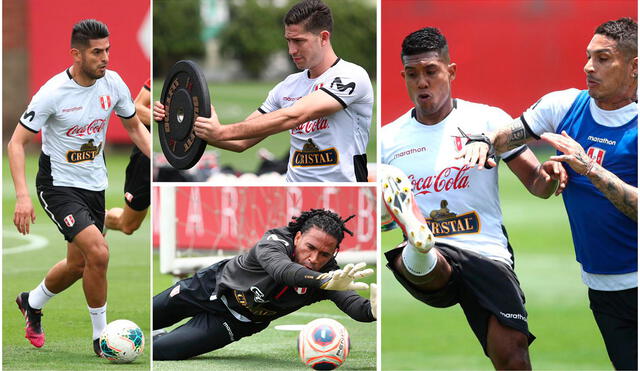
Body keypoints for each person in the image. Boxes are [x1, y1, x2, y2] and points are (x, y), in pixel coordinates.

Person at [380, 27, 566, 370]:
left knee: (513, 355)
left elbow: (537, 185)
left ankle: (418, 245)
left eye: (431, 71)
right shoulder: (388, 140)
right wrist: (383, 216)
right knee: (427, 257)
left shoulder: (488, 121)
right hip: (434, 257)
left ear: (450, 72)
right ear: (403, 76)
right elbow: (379, 218)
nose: (422, 82)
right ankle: (419, 243)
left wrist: (551, 175)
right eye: (413, 74)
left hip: (487, 252)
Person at [458, 17, 637, 370]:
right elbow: (508, 135)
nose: (588, 67)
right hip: (603, 286)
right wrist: (484, 143)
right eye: (588, 56)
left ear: (634, 67)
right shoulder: (564, 106)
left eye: (603, 59)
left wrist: (589, 169)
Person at [7, 19, 151, 356]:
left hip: (95, 185)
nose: (105, 58)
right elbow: (16, 144)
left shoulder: (113, 83)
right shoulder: (52, 93)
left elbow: (133, 128)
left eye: (108, 50)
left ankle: (32, 301)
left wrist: (159, 161)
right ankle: (102, 338)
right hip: (58, 186)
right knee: (99, 253)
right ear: (76, 54)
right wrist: (23, 197)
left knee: (78, 265)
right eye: (97, 52)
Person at [153, 0, 373, 182]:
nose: (291, 50)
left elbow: (295, 115)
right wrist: (185, 124)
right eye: (288, 41)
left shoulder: (351, 76)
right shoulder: (287, 86)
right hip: (294, 194)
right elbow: (239, 142)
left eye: (299, 41)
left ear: (324, 37)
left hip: (346, 193)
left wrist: (221, 131)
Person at [153, 209, 377, 360]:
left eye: (324, 254)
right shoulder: (274, 242)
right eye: (310, 247)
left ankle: (160, 338)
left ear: (334, 253)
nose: (314, 259)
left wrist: (372, 310)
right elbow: (283, 271)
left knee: (158, 351)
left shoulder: (329, 275)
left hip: (234, 323)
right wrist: (322, 280)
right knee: (150, 315)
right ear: (297, 237)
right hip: (207, 288)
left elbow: (352, 302)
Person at [105, 79, 151, 234]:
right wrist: (169, 123)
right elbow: (136, 107)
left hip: (178, 154)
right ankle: (101, 218)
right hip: (148, 155)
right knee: (129, 225)